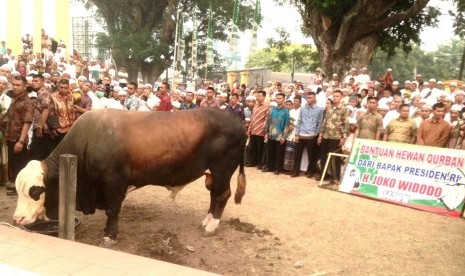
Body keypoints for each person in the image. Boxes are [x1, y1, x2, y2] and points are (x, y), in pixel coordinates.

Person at [4, 75, 34, 195]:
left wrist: (21, 141)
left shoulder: (27, 102)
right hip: (11, 136)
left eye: (18, 85)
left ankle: (22, 190)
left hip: (19, 138)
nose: (15, 87)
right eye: (14, 84)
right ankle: (17, 186)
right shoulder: (14, 98)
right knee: (14, 164)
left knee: (21, 165)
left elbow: (27, 123)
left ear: (25, 86)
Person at [317, 90, 349, 182]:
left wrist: (344, 137)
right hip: (326, 136)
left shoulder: (343, 109)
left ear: (341, 97)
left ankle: (335, 177)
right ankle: (323, 175)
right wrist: (320, 135)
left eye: (337, 96)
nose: (335, 98)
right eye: (334, 96)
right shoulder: (329, 108)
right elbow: (324, 122)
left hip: (336, 136)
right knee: (323, 156)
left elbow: (345, 124)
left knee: (335, 158)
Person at [291, 92, 323, 178]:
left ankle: (310, 172)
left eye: (310, 97)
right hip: (301, 134)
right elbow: (299, 121)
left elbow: (319, 123)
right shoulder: (303, 109)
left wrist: (316, 134)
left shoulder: (319, 110)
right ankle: (295, 171)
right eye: (308, 97)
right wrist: (297, 134)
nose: (309, 99)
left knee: (311, 156)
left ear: (314, 99)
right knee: (297, 155)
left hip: (312, 135)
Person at [29, 74, 56, 161]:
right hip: (42, 128)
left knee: (37, 155)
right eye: (33, 81)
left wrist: (40, 126)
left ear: (43, 82)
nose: (34, 83)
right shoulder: (40, 93)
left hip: (43, 129)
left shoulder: (44, 93)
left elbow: (46, 110)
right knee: (42, 154)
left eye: (36, 81)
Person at [263, 93, 289, 175]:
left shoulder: (286, 111)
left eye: (280, 98)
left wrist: (284, 137)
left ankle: (277, 169)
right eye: (277, 98)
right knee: (270, 152)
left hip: (280, 135)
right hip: (271, 134)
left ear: (284, 100)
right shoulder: (272, 110)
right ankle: (269, 167)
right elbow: (268, 121)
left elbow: (286, 125)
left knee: (279, 153)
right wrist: (266, 133)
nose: (278, 99)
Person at [246, 91, 268, 168]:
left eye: (260, 96)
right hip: (254, 129)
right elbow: (252, 118)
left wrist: (264, 126)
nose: (258, 97)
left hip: (261, 131)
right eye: (257, 96)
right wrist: (249, 129)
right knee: (252, 147)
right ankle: (252, 162)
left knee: (260, 148)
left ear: (264, 97)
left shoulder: (267, 106)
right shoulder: (255, 106)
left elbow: (267, 118)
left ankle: (260, 163)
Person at [51, 79, 76, 145]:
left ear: (68, 88)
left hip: (71, 128)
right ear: (58, 87)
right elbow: (51, 113)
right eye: (61, 87)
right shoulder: (53, 97)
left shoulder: (71, 97)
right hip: (60, 129)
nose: (63, 89)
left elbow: (72, 111)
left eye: (65, 88)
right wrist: (54, 128)